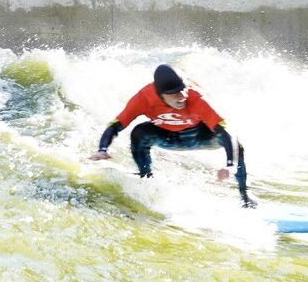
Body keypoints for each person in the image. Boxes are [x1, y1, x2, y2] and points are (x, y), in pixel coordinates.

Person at [89, 64, 254, 206]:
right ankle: (146, 180)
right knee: (139, 132)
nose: (181, 96)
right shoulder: (143, 98)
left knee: (236, 143)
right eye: (174, 93)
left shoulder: (197, 98)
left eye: (182, 89)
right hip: (169, 138)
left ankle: (245, 196)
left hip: (200, 136)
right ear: (161, 95)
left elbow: (227, 134)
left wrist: (230, 165)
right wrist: (103, 149)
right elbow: (115, 125)